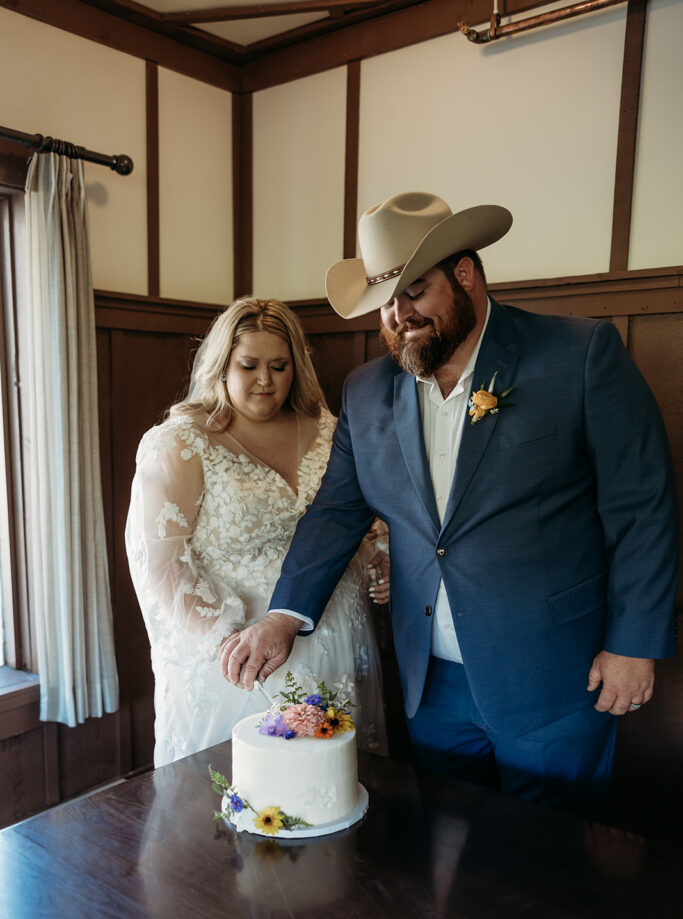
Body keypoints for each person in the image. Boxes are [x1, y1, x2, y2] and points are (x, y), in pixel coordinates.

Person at [220, 193, 678, 821]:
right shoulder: (366, 390)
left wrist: (634, 643)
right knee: (451, 860)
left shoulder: (579, 355)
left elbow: (642, 506)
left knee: (560, 871)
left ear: (464, 275)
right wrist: (283, 614)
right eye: (385, 300)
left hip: (555, 676)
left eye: (414, 292)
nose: (397, 315)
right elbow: (336, 512)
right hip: (430, 684)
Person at [126, 297, 388, 767]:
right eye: (249, 365)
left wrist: (378, 558)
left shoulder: (329, 430)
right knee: (246, 793)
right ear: (221, 365)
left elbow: (352, 520)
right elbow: (160, 564)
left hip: (338, 638)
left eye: (279, 366)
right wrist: (225, 641)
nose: (266, 380)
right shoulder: (182, 443)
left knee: (335, 786)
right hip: (241, 655)